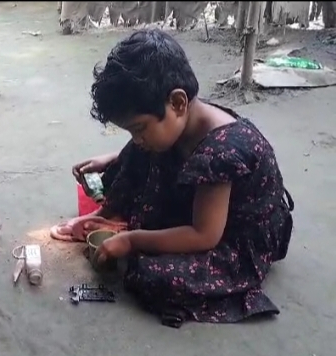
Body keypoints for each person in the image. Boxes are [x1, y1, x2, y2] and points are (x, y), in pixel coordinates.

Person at [56, 29, 294, 328]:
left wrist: (131, 240)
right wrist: (115, 160)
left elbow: (204, 236)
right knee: (139, 153)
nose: (136, 138)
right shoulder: (184, 118)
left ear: (178, 103)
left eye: (138, 128)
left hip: (233, 239)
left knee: (149, 275)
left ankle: (137, 232)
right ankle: (109, 213)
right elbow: (145, 146)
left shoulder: (221, 153)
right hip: (206, 208)